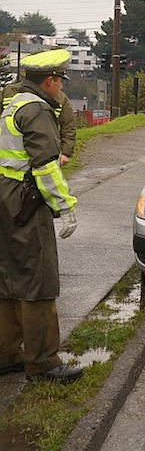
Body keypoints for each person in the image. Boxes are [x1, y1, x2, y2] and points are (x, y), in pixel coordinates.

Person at [0, 48, 82, 383]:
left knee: (8, 277)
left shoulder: (11, 105)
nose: (60, 85)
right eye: (60, 79)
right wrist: (65, 207)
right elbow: (47, 166)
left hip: (5, 197)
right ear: (50, 81)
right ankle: (43, 362)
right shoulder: (37, 110)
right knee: (39, 280)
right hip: (26, 202)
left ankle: (7, 353)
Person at [3, 72, 76, 167]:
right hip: (11, 165)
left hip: (43, 162)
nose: (61, 86)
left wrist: (66, 153)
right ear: (49, 81)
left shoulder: (60, 98)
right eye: (60, 82)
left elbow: (68, 126)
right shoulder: (7, 93)